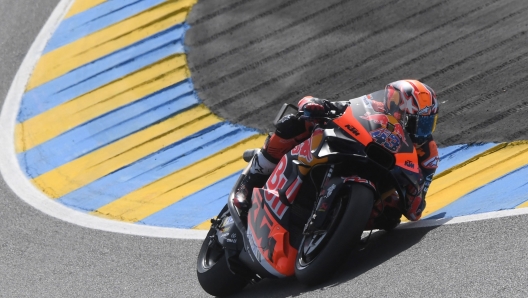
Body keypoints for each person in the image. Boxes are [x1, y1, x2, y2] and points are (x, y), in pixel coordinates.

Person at [233, 79, 440, 230]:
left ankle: (338, 232)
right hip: (352, 152)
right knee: (295, 123)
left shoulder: (428, 155)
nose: (422, 131)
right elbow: (336, 106)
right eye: (417, 123)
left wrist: (413, 192)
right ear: (399, 112)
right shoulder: (374, 107)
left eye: (428, 123)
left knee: (391, 217)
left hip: (381, 178)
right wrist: (315, 104)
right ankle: (251, 180)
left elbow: (415, 211)